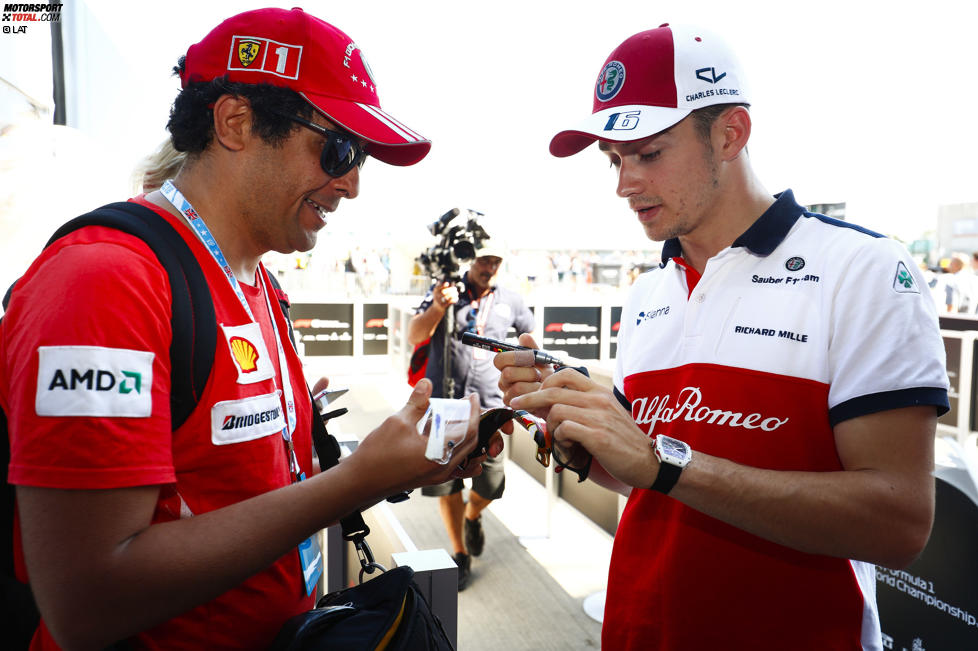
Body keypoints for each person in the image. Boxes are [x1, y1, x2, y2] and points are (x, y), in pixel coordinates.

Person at [0, 8, 500, 649]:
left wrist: (396, 466)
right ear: (236, 122)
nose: (350, 184)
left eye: (362, 159)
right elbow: (87, 600)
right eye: (339, 148)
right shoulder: (105, 280)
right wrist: (357, 479)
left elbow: (236, 490)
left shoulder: (254, 282)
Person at [495, 24, 949, 650]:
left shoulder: (863, 269)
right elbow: (651, 487)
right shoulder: (649, 291)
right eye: (613, 159)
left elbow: (899, 523)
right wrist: (580, 438)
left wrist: (664, 462)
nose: (624, 184)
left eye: (648, 153)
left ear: (730, 134)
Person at [407, 240, 534, 590]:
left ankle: (472, 515)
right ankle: (460, 552)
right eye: (484, 259)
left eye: (496, 260)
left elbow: (529, 338)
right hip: (444, 406)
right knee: (446, 484)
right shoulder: (445, 291)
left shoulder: (511, 299)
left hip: (490, 409)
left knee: (492, 485)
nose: (489, 266)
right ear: (470, 258)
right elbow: (414, 335)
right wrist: (436, 307)